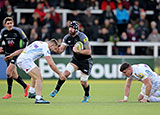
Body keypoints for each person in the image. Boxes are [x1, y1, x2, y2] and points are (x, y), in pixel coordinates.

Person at [4, 39, 64, 104]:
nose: (52, 50)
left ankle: (32, 92)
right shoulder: (45, 47)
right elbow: (51, 64)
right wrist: (60, 74)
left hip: (22, 60)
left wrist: (12, 55)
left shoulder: (37, 42)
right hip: (25, 61)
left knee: (36, 72)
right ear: (52, 45)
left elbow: (23, 50)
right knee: (39, 78)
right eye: (54, 48)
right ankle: (38, 98)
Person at [50, 21, 93, 103]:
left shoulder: (83, 37)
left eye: (72, 28)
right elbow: (61, 50)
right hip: (76, 60)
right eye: (69, 27)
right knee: (65, 73)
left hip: (86, 61)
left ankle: (87, 95)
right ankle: (56, 90)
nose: (70, 29)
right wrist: (54, 49)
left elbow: (89, 52)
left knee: (83, 82)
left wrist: (78, 51)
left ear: (76, 29)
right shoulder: (67, 37)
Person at [0, 17, 29, 99]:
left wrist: (23, 50)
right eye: (8, 23)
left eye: (11, 23)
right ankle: (25, 86)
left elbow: (26, 40)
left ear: (13, 23)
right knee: (14, 75)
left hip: (16, 54)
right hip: (7, 55)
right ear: (5, 25)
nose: (10, 25)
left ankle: (9, 93)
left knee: (8, 72)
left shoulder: (18, 31)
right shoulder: (3, 31)